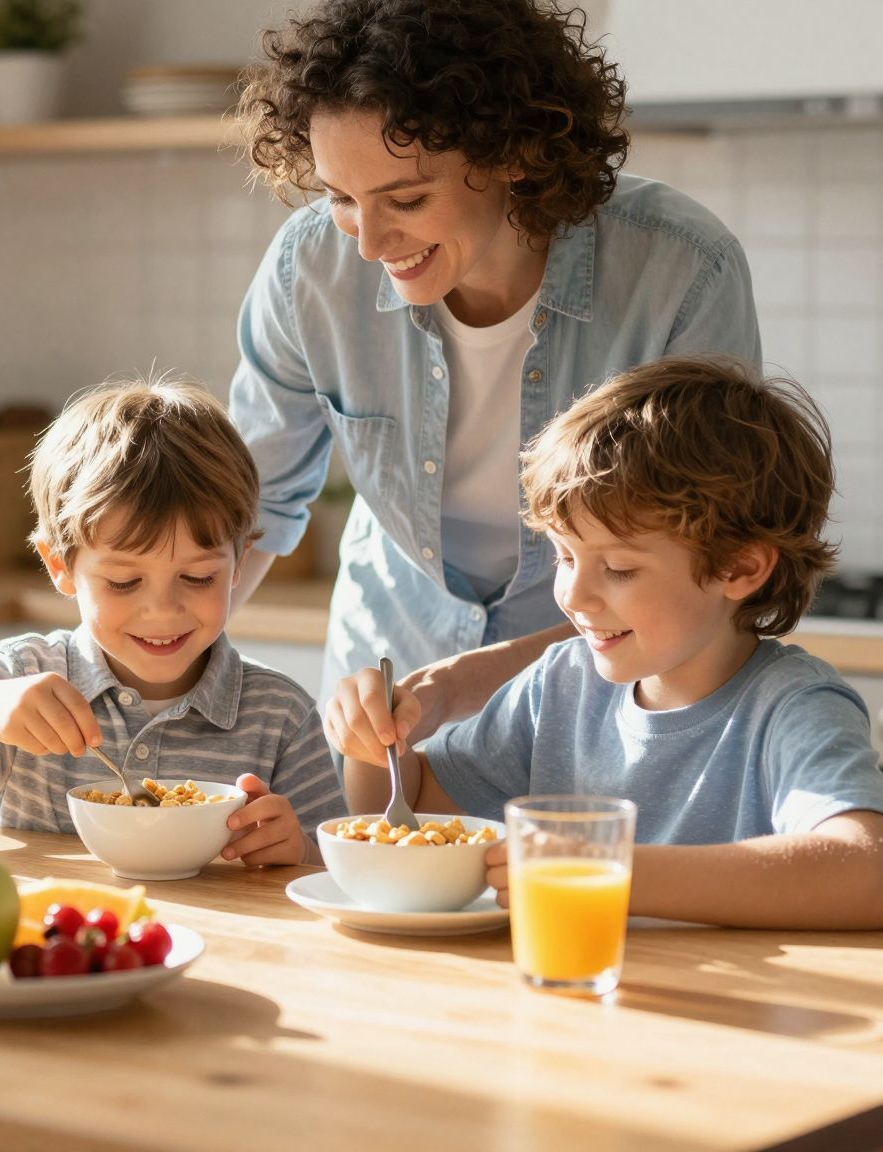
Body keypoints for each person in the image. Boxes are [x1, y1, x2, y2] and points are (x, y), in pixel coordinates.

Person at [229, 0, 761, 741]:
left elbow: (699, 566)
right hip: (386, 695)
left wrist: (486, 677)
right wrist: (133, 656)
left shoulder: (680, 272)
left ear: (513, 153)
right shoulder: (309, 269)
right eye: (342, 199)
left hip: (605, 696)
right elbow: (245, 512)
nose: (370, 245)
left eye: (407, 198)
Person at [324, 357, 883, 929]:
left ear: (740, 568)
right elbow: (415, 810)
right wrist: (375, 745)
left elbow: (873, 874)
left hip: (730, 1015)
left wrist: (604, 871)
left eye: (620, 569)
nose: (575, 596)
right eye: (564, 556)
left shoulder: (792, 707)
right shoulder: (560, 685)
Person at [0, 375, 346, 867]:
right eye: (124, 583)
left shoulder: (279, 715)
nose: (163, 610)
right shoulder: (24, 680)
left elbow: (335, 869)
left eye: (198, 577)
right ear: (60, 567)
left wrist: (298, 850)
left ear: (238, 565)